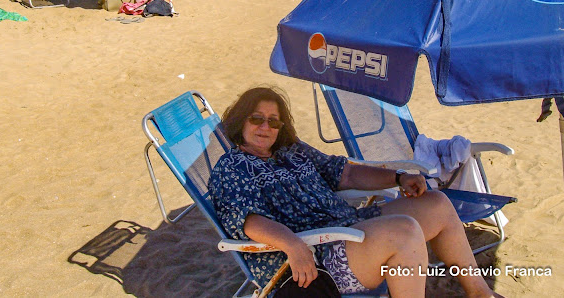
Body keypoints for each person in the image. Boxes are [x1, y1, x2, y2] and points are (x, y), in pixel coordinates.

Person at [209, 86, 504, 298]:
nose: (266, 127)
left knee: (436, 203)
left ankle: (478, 292)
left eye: (273, 120)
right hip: (315, 256)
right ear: (240, 121)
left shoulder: (291, 151)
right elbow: (249, 221)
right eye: (257, 118)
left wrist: (399, 178)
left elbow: (346, 172)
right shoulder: (233, 167)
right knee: (404, 232)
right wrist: (294, 246)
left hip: (347, 227)